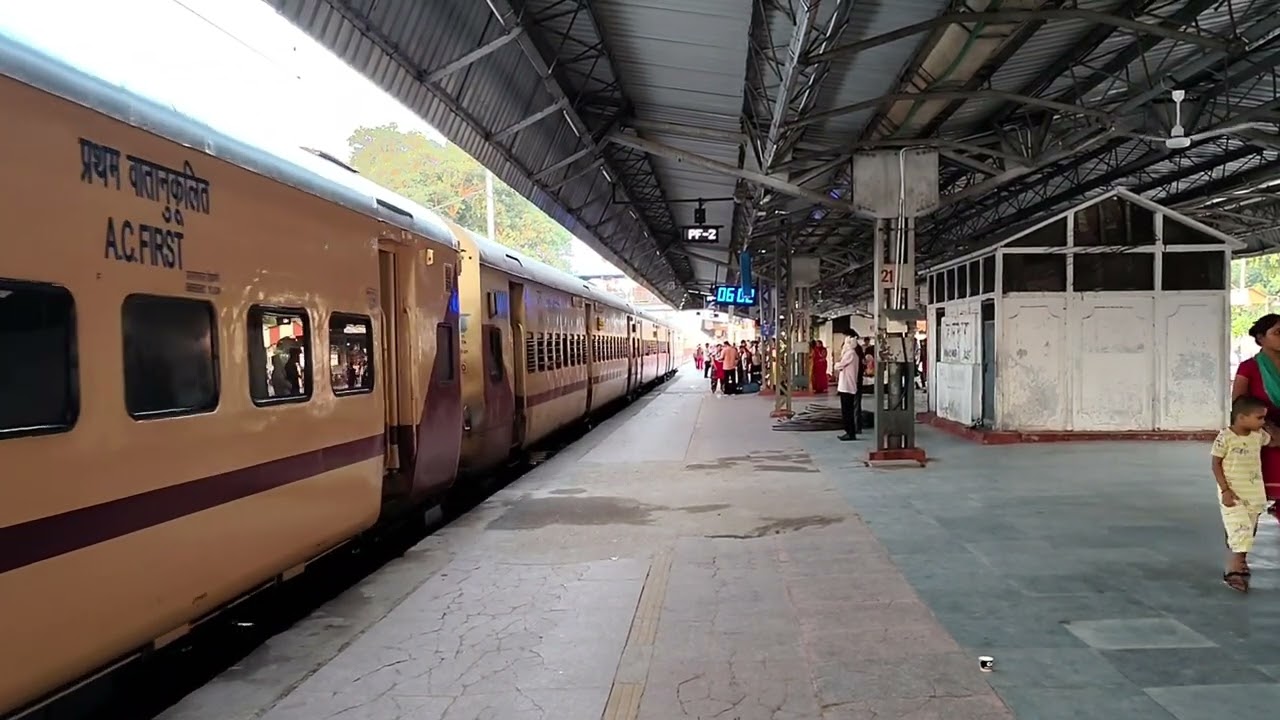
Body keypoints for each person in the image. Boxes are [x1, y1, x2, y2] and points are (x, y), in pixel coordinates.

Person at [1212, 395, 1277, 593]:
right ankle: (1234, 567)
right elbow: (1216, 464)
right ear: (1241, 418)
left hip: (1254, 494)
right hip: (1233, 494)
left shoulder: (1258, 436)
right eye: (1259, 418)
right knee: (1239, 528)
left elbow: (1275, 442)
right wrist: (1225, 490)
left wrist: (1271, 428)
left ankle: (1240, 563)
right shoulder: (1225, 437)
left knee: (1249, 528)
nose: (1263, 422)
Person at [1231, 313, 1280, 512]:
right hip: (1262, 432)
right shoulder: (1249, 368)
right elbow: (1239, 405)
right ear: (1261, 338)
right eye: (1278, 333)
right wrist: (1268, 429)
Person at [834, 330, 862, 441]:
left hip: (847, 386)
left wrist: (837, 364)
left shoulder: (850, 354)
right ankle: (849, 432)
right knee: (847, 410)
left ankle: (850, 432)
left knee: (847, 411)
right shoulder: (852, 354)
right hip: (847, 385)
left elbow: (839, 365)